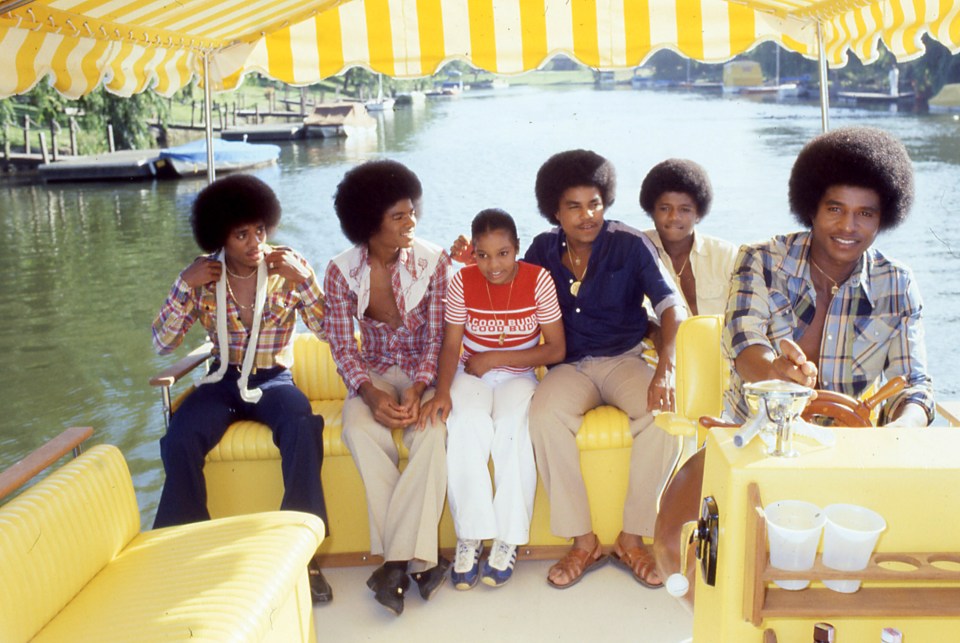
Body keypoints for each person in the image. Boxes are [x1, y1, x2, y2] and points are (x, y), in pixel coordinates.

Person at [151, 173, 331, 603]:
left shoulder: (287, 270)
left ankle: (303, 556)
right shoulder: (203, 275)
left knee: (303, 427)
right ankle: (185, 547)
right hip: (222, 381)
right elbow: (163, 343)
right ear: (221, 238)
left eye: (260, 230)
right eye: (242, 234)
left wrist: (306, 281)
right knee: (181, 437)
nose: (256, 242)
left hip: (273, 380)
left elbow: (330, 333)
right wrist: (183, 285)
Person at [522, 149, 687, 589]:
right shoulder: (540, 249)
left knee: (666, 418)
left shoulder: (631, 243)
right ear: (554, 211)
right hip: (570, 365)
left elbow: (671, 306)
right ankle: (584, 542)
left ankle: (633, 540)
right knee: (542, 415)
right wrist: (467, 264)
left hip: (624, 359)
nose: (587, 215)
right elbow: (508, 295)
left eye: (594, 203)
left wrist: (666, 369)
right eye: (573, 206)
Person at [725, 126, 934, 426]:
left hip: (848, 452)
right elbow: (744, 345)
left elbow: (914, 385)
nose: (848, 226)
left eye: (865, 213)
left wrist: (902, 428)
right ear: (811, 209)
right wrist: (775, 373)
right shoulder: (762, 260)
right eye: (835, 209)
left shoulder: (897, 284)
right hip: (753, 438)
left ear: (883, 218)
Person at [324, 159, 451, 616]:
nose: (411, 222)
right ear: (368, 222)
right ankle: (419, 566)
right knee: (358, 431)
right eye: (398, 217)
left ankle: (395, 565)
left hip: (424, 373)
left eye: (412, 211)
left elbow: (437, 337)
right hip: (373, 375)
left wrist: (418, 390)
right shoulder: (341, 272)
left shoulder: (435, 262)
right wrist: (370, 394)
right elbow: (342, 346)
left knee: (433, 434)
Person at [419, 208, 565, 590]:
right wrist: (444, 391)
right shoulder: (462, 281)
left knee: (512, 433)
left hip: (519, 373)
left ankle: (507, 538)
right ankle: (470, 534)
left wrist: (497, 358)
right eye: (482, 255)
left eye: (502, 253)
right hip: (470, 374)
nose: (493, 265)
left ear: (517, 249)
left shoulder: (538, 280)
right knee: (465, 426)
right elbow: (452, 343)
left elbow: (556, 349)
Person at [639, 158, 737, 316]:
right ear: (652, 211)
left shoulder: (725, 255)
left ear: (698, 213)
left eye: (684, 209)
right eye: (664, 208)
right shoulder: (636, 250)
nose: (674, 217)